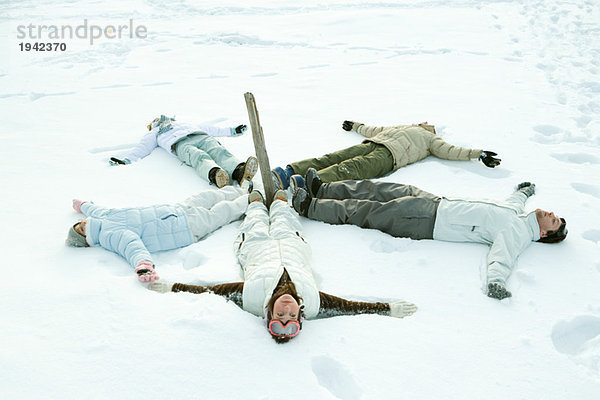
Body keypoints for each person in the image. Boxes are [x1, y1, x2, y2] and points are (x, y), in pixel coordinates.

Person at [148, 189, 418, 343]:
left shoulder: (252, 298)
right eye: (292, 317)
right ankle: (279, 203)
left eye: (280, 317)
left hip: (255, 248)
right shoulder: (311, 302)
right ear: (301, 315)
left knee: (254, 224)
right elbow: (350, 307)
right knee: (285, 223)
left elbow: (212, 291)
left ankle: (254, 203)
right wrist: (387, 309)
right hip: (292, 247)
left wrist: (172, 287)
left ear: (269, 314)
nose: (286, 311)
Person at [292, 169, 567, 300]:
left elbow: (502, 258)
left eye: (554, 221)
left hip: (430, 220)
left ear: (544, 234)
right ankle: (324, 188)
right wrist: (524, 192)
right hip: (437, 202)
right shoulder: (517, 215)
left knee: (369, 210)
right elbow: (515, 201)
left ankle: (310, 206)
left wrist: (496, 282)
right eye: (554, 215)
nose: (551, 214)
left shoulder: (516, 234)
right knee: (382, 189)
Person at [65, 186, 251, 282]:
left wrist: (83, 206)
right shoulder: (110, 236)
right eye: (81, 229)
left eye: (79, 223)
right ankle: (252, 199)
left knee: (207, 197)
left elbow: (95, 209)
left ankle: (242, 190)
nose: (82, 223)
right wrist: (143, 264)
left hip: (175, 209)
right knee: (221, 212)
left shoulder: (103, 216)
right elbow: (132, 246)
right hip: (184, 228)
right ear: (87, 240)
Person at [272, 120, 500, 190]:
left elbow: (451, 151)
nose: (425, 122)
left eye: (428, 123)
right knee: (332, 157)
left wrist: (478, 154)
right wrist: (355, 126)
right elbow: (375, 130)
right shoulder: (404, 126)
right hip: (373, 143)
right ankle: (288, 172)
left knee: (351, 167)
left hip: (389, 157)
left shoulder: (432, 140)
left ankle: (305, 183)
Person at [109, 115, 258, 188]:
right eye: (154, 121)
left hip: (200, 136)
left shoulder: (182, 123)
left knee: (218, 150)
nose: (158, 120)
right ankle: (215, 174)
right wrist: (127, 160)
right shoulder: (156, 132)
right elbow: (143, 147)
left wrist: (232, 131)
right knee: (198, 157)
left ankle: (238, 171)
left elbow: (208, 128)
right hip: (180, 144)